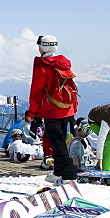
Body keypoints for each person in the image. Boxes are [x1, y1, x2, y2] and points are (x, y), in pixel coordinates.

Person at [28, 34, 79, 182]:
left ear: (43, 47)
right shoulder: (63, 63)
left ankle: (69, 175)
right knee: (60, 140)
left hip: (51, 110)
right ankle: (57, 172)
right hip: (67, 108)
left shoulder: (43, 65)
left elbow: (36, 90)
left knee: (57, 143)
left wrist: (33, 112)